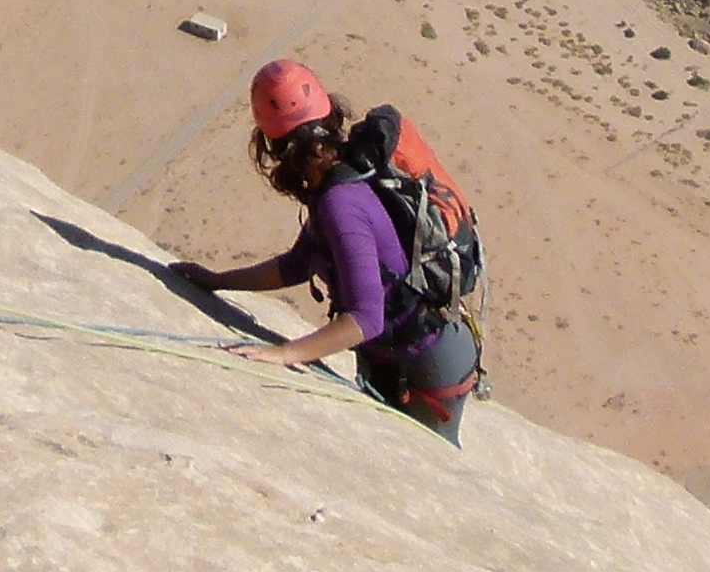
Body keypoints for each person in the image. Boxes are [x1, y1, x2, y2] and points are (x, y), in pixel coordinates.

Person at [168, 58, 480, 435]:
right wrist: (217, 282)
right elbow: (297, 265)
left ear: (273, 143)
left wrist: (285, 355)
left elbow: (365, 319)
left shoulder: (340, 203)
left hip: (427, 362)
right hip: (413, 355)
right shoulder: (336, 184)